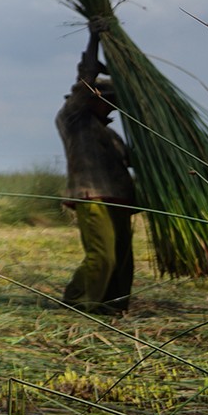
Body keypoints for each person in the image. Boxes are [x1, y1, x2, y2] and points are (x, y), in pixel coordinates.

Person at [57, 23, 135, 315]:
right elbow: (86, 80)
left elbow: (131, 161)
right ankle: (78, 301)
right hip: (93, 196)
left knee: (122, 258)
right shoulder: (74, 118)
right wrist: (94, 37)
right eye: (110, 101)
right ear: (95, 99)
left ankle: (112, 304)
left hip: (119, 198)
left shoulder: (110, 134)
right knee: (102, 257)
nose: (113, 107)